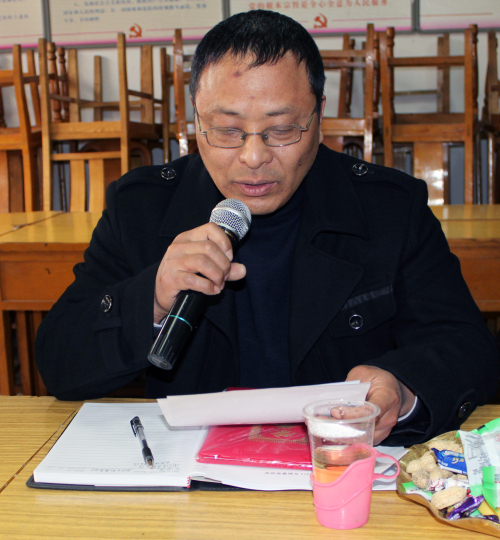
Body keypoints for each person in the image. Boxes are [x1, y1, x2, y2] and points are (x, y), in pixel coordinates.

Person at [36, 10, 499, 446]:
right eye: (226, 130)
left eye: (282, 130)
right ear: (195, 120)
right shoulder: (141, 207)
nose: (254, 157)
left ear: (318, 116)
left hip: (337, 463)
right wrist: (152, 298)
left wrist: (401, 386)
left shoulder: (389, 208)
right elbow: (59, 363)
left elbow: (467, 347)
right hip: (188, 471)